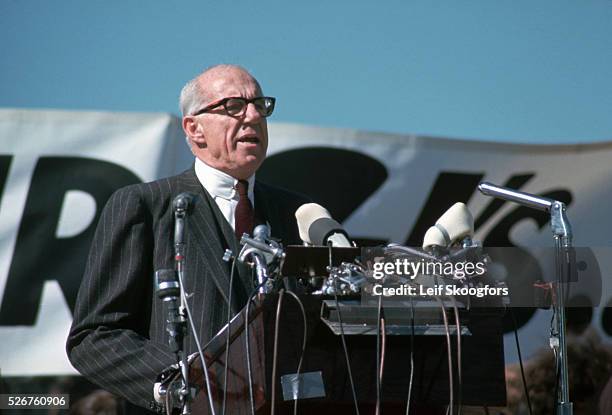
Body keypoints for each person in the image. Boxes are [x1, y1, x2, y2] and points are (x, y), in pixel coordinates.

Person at [66, 65, 310, 413]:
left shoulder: (298, 212)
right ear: (194, 129)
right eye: (233, 106)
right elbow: (94, 337)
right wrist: (183, 382)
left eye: (259, 104)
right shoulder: (145, 206)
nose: (254, 115)